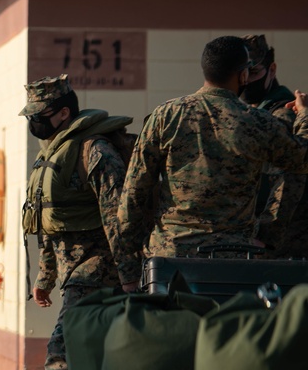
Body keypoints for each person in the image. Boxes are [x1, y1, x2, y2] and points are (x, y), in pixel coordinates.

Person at [19, 74, 141, 370]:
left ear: (64, 113)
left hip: (98, 265)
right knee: (89, 352)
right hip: (74, 269)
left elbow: (118, 219)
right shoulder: (54, 152)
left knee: (63, 346)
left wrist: (129, 276)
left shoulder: (95, 151)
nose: (33, 123)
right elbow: (49, 223)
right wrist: (45, 277)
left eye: (40, 115)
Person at [118, 35, 308, 261]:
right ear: (243, 74)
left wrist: (129, 263)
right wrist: (305, 117)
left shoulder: (166, 114)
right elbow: (301, 159)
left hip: (171, 256)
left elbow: (133, 192)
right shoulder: (257, 121)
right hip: (232, 258)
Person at [239, 34, 306, 258]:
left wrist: (266, 237)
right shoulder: (254, 113)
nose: (248, 81)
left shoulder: (283, 114)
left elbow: (289, 179)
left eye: (255, 73)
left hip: (281, 245)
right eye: (244, 74)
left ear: (272, 69)